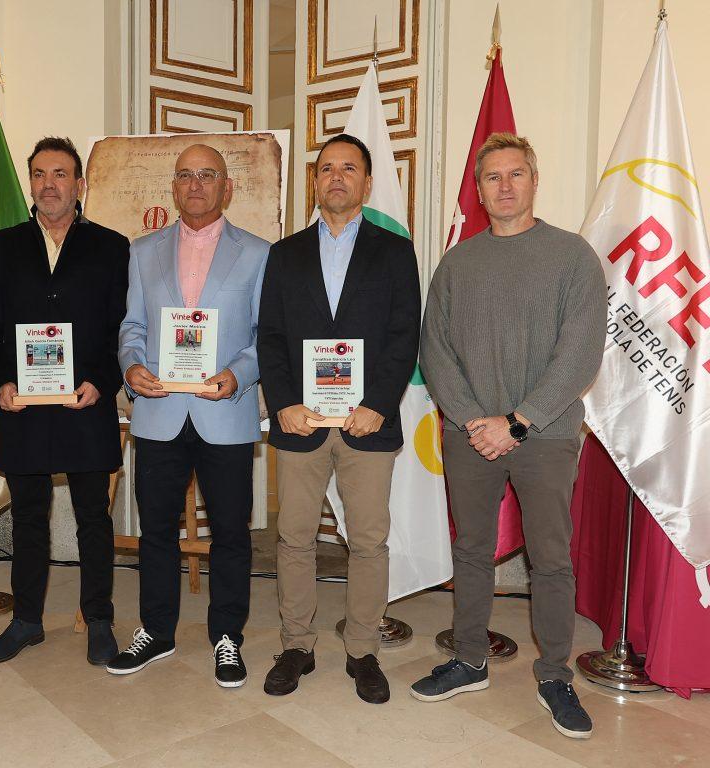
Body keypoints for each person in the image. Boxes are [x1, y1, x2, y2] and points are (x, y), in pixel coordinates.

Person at [414, 132, 604, 740]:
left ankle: (555, 677)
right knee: (471, 550)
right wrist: (476, 420)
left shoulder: (572, 256)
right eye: (492, 177)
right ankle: (468, 660)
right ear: (478, 189)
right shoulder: (457, 263)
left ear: (534, 180)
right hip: (469, 434)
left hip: (545, 434)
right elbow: (435, 350)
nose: (504, 186)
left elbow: (580, 353)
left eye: (515, 174)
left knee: (550, 558)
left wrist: (519, 421)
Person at [257, 133, 420, 704]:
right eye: (326, 168)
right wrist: (283, 402)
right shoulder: (285, 254)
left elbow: (404, 335)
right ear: (315, 181)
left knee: (369, 542)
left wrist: (379, 403)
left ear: (366, 183)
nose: (336, 176)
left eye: (349, 168)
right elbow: (270, 337)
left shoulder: (394, 251)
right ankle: (296, 645)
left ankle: (363, 650)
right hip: (300, 422)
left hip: (366, 424)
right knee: (294, 539)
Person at [108, 144, 269, 688]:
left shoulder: (258, 253)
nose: (195, 184)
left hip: (225, 411)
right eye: (185, 175)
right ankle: (156, 631)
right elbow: (132, 326)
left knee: (230, 531)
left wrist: (239, 375)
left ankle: (227, 636)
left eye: (207, 174)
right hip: (159, 411)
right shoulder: (142, 251)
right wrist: (131, 366)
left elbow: (266, 335)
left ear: (227, 187)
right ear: (173, 188)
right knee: (155, 528)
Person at [0, 137, 129, 665]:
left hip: (87, 404)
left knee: (93, 518)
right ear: (30, 183)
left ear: (79, 184)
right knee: (28, 520)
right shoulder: (4, 245)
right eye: (39, 174)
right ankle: (26, 621)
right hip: (24, 408)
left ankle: (99, 620)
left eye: (60, 174)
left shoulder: (111, 247)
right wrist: (0, 384)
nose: (49, 184)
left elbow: (122, 329)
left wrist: (101, 380)